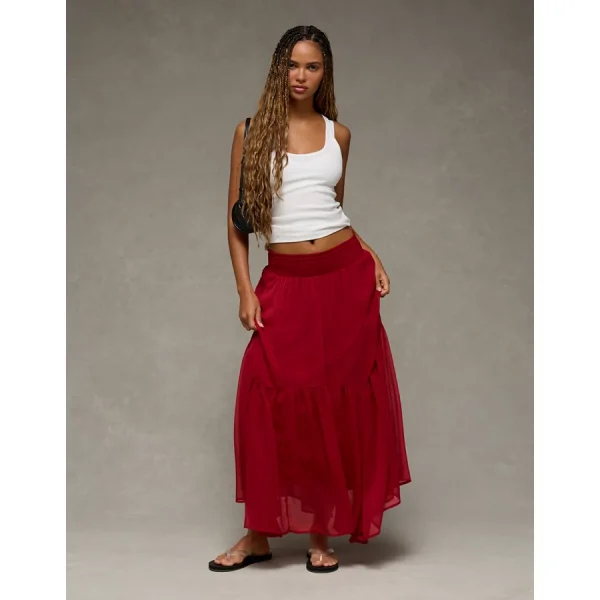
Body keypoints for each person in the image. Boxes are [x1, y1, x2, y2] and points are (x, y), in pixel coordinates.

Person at [209, 25, 411, 574]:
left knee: (333, 405)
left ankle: (322, 531)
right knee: (267, 399)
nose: (301, 76)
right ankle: (258, 534)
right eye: (293, 65)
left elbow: (331, 209)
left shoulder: (338, 135)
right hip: (286, 280)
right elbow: (236, 223)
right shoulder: (251, 132)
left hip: (343, 279)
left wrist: (370, 253)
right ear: (279, 68)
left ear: (325, 73)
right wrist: (245, 289)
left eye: (312, 66)